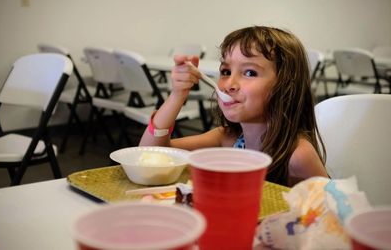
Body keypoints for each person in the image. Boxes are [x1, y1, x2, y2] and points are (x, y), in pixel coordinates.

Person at [139, 26, 328, 187]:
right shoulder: (229, 139)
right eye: (226, 71)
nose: (229, 83)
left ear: (286, 86)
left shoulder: (298, 155)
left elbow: (334, 210)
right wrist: (177, 95)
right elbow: (150, 155)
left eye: (249, 72)